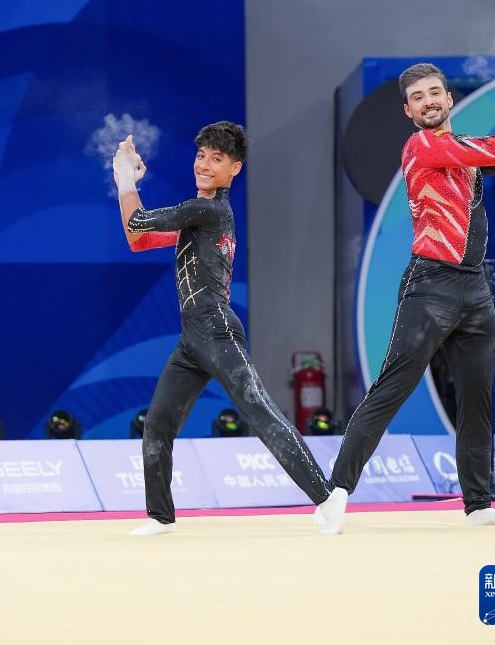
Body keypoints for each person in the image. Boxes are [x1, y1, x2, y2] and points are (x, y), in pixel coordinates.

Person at [319, 42, 495, 534]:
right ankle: (335, 494)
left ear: (449, 99)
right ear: (409, 112)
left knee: (476, 399)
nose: (427, 101)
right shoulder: (423, 147)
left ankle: (479, 504)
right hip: (431, 286)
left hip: (475, 290)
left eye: (433, 93)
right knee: (391, 390)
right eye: (417, 97)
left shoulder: (462, 151)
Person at [112, 122, 337, 537]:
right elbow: (137, 239)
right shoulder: (199, 219)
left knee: (260, 412)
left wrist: (125, 178)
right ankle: (161, 517)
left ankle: (327, 498)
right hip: (192, 340)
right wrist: (125, 181)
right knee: (158, 425)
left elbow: (139, 220)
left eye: (217, 159)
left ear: (235, 168)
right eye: (201, 156)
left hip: (216, 331)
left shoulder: (208, 210)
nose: (204, 165)